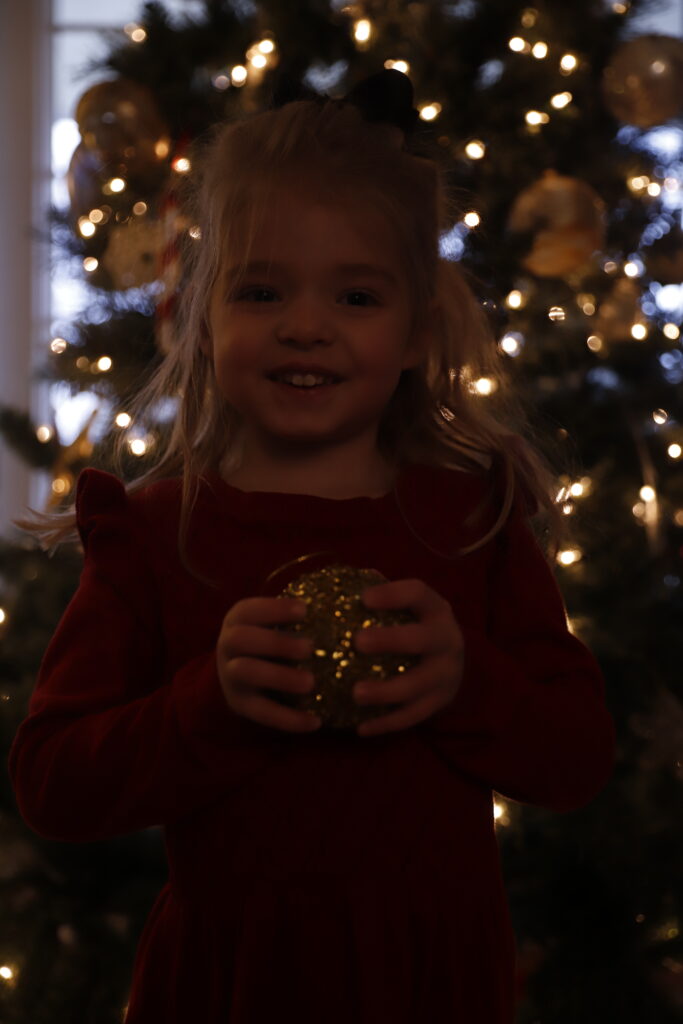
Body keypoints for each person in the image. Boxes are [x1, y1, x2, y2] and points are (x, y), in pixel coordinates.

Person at [8, 69, 616, 1023]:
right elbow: (53, 783)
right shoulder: (156, 534)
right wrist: (207, 705)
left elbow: (576, 760)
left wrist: (468, 682)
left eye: (356, 298)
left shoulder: (471, 521)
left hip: (433, 985)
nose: (304, 326)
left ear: (417, 331)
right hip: (229, 983)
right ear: (201, 319)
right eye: (260, 290)